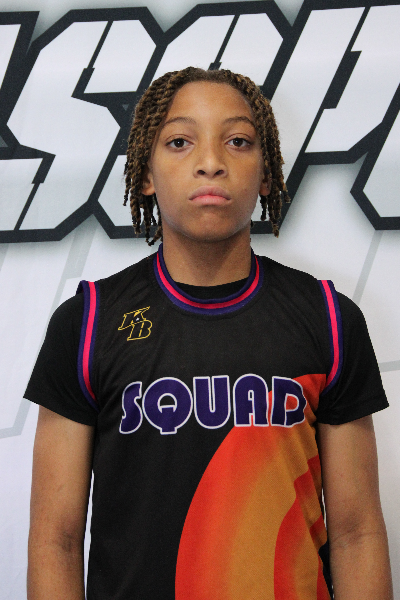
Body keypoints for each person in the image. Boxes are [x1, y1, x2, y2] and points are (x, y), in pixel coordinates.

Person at [25, 67, 393, 600]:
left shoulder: (330, 319)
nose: (211, 162)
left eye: (238, 141)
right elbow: (55, 541)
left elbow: (357, 533)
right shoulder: (86, 323)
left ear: (266, 174)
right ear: (145, 174)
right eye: (180, 141)